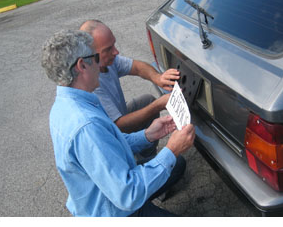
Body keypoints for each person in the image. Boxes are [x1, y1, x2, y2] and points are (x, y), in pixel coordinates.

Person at [42, 29, 195, 217]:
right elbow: (127, 194)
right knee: (171, 160)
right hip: (115, 210)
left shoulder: (67, 103)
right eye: (96, 58)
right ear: (82, 65)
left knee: (176, 164)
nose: (100, 64)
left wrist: (147, 135)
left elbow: (110, 143)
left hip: (109, 193)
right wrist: (172, 150)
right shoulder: (85, 125)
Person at [79, 20, 180, 163]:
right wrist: (159, 105)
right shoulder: (91, 85)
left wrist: (158, 78)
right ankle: (142, 164)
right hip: (112, 135)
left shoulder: (108, 61)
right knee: (177, 165)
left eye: (113, 44)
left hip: (117, 121)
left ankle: (146, 155)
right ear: (90, 55)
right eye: (108, 49)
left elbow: (137, 67)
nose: (116, 51)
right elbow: (119, 124)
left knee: (147, 101)